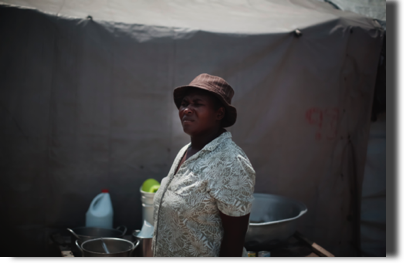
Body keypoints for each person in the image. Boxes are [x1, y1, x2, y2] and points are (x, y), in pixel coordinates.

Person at [152, 73, 256, 257]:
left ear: (219, 113)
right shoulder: (186, 150)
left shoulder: (230, 162)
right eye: (185, 103)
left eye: (197, 103)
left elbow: (235, 239)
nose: (187, 109)